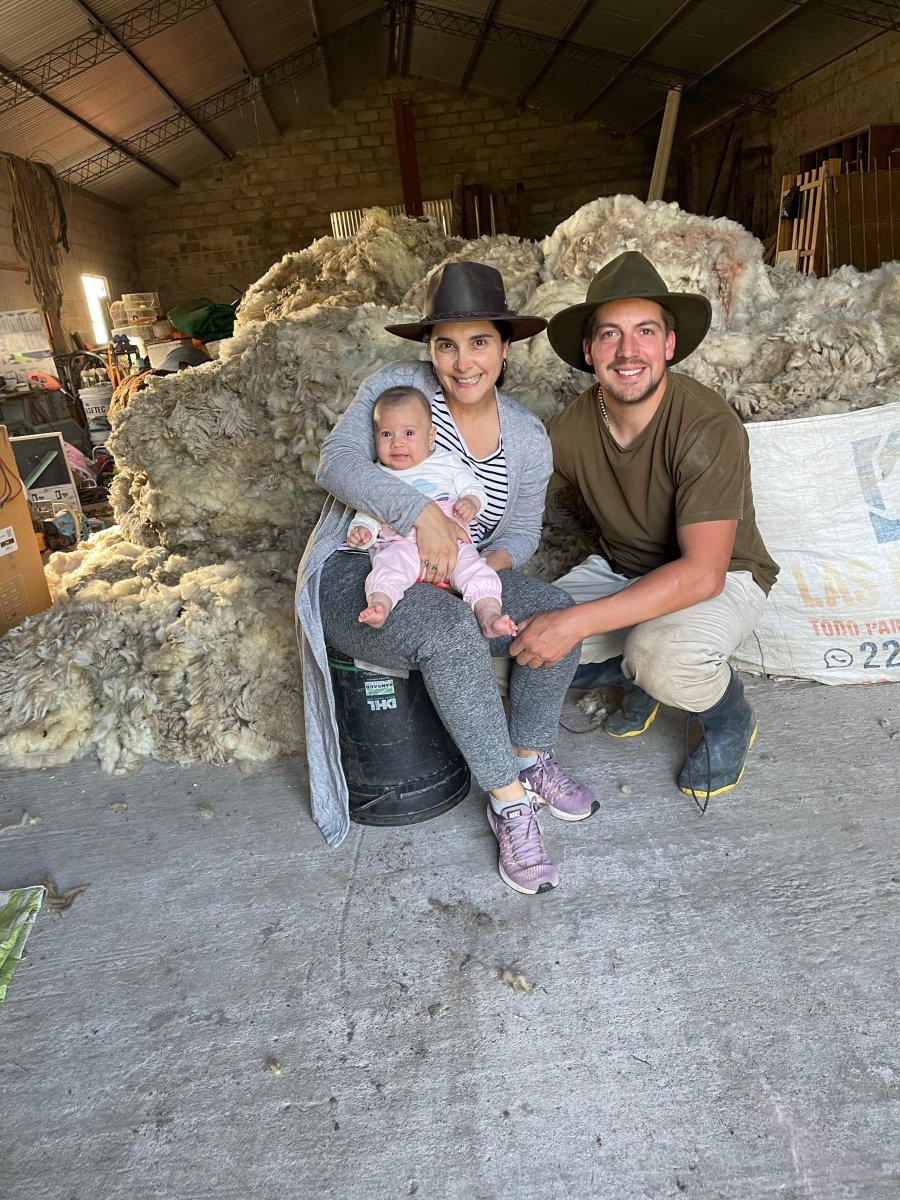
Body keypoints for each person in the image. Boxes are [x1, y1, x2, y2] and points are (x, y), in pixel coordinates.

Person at [296, 262, 597, 894]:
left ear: (505, 347)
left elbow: (520, 535)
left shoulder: (527, 436)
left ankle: (529, 758)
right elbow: (337, 464)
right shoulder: (398, 387)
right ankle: (509, 804)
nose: (462, 363)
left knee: (555, 609)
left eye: (479, 342)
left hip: (456, 573)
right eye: (445, 344)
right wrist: (422, 516)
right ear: (429, 348)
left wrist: (471, 568)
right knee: (449, 629)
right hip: (362, 568)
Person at [508, 251, 779, 809]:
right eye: (610, 334)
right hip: (623, 572)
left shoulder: (706, 425)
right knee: (512, 650)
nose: (628, 351)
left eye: (645, 332)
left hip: (723, 576)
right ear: (589, 351)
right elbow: (511, 499)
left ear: (669, 345)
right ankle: (633, 677)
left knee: (662, 658)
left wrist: (573, 623)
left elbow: (701, 574)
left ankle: (730, 720)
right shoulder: (572, 428)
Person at [347, 385, 517, 638]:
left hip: (452, 545)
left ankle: (489, 615)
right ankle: (380, 605)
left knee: (477, 571)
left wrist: (471, 502)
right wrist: (362, 531)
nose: (397, 443)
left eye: (408, 433)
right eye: (386, 434)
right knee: (388, 566)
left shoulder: (446, 462)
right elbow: (368, 511)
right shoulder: (379, 474)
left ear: (430, 437)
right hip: (401, 544)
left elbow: (475, 489)